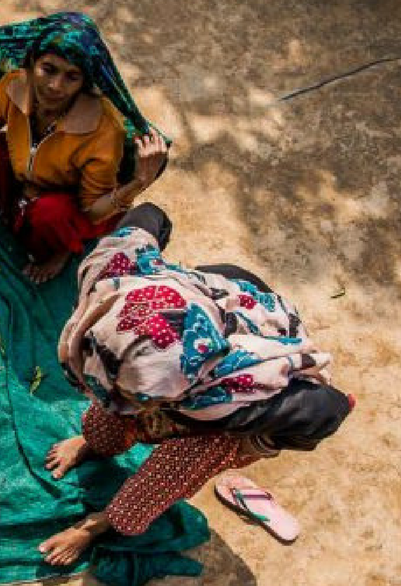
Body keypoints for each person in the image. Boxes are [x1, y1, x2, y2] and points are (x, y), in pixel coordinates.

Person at [36, 203, 354, 565]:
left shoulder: (237, 396)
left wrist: (262, 440)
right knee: (111, 409)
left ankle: (100, 524)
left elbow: (327, 410)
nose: (126, 403)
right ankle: (96, 442)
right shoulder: (113, 269)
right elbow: (150, 214)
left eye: (139, 398)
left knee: (177, 467)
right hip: (201, 300)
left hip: (236, 385)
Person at [0, 12, 169, 283]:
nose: (54, 86)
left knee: (50, 216)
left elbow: (93, 209)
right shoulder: (14, 86)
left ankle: (60, 251)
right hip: (22, 171)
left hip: (66, 199)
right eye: (48, 69)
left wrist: (139, 182)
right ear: (31, 62)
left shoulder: (103, 127)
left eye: (71, 77)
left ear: (85, 82)